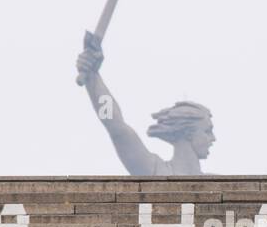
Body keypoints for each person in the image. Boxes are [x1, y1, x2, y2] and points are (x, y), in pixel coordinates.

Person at [76, 36, 215, 176]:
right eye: (207, 131)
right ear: (187, 132)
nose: (213, 138)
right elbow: (115, 126)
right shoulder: (154, 172)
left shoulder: (216, 184)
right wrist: (92, 78)